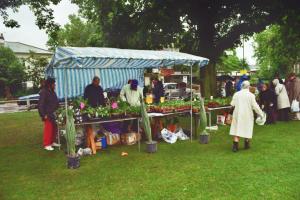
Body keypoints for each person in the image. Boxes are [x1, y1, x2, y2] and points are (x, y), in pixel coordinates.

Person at [230, 81, 264, 152]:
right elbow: (255, 106)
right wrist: (261, 114)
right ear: (249, 87)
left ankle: (235, 147)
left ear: (241, 86)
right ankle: (246, 144)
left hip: (238, 114)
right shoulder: (251, 95)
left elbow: (232, 104)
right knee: (247, 128)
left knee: (237, 129)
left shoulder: (236, 94)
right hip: (247, 114)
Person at [38, 77, 59, 151]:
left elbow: (56, 101)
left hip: (54, 113)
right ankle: (46, 144)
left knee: (54, 128)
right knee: (48, 129)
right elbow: (41, 104)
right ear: (50, 84)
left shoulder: (53, 92)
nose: (55, 85)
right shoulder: (44, 92)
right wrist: (43, 115)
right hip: (47, 114)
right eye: (54, 84)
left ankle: (52, 142)